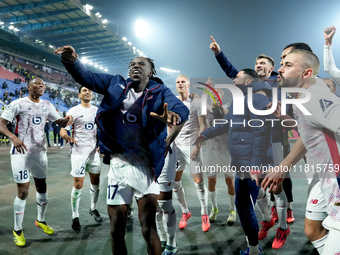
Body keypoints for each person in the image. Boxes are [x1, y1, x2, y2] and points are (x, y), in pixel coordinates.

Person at [54, 45, 189, 255]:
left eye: (141, 64)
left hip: (146, 167)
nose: (136, 66)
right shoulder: (115, 83)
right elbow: (86, 77)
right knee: (116, 229)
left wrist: (174, 115)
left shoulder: (160, 91)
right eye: (132, 64)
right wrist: (71, 61)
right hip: (119, 165)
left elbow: (180, 107)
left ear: (150, 71)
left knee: (148, 227)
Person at [210, 36, 291, 249]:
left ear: (272, 68)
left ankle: (282, 227)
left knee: (276, 185)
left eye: (263, 63)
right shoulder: (250, 85)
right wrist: (219, 53)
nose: (258, 65)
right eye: (256, 63)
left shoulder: (278, 81)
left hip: (274, 140)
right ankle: (267, 219)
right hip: (252, 144)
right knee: (257, 186)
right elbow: (232, 72)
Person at [262, 49, 340, 255]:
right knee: (313, 231)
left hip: (337, 186)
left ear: (306, 73)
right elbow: (309, 136)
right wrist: (283, 166)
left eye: (287, 64)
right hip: (326, 182)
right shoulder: (301, 98)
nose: (279, 69)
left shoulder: (314, 99)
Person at [194, 69, 272, 255]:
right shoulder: (243, 100)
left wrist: (254, 165)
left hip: (250, 162)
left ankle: (253, 250)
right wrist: (205, 134)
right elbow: (226, 123)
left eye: (238, 76)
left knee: (243, 207)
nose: (234, 78)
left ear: (248, 81)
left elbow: (261, 133)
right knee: (254, 193)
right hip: (242, 160)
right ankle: (267, 215)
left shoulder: (256, 99)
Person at [0, 77, 73, 247]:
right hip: (21, 153)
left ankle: (40, 220)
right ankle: (17, 229)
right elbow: (1, 124)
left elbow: (59, 122)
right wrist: (13, 137)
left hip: (40, 153)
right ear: (29, 87)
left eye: (43, 85)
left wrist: (67, 120)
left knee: (42, 188)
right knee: (23, 192)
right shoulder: (18, 103)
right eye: (37, 84)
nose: (41, 86)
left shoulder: (47, 105)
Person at [59, 86, 102, 233]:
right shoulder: (73, 111)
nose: (88, 92)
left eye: (90, 90)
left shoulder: (97, 110)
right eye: (84, 90)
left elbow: (102, 130)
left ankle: (93, 208)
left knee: (96, 183)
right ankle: (75, 216)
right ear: (79, 95)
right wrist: (65, 135)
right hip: (78, 153)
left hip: (94, 153)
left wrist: (101, 144)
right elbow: (63, 128)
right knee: (78, 184)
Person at [172, 74, 210, 232]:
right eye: (177, 82)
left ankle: (204, 213)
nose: (180, 84)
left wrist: (198, 146)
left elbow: (203, 125)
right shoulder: (172, 101)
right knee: (174, 182)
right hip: (175, 147)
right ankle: (185, 212)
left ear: (189, 85)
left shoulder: (197, 101)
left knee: (198, 182)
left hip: (192, 146)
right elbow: (170, 125)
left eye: (183, 82)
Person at [202, 81, 236, 225]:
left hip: (225, 150)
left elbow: (230, 120)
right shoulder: (207, 109)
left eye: (218, 95)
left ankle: (232, 210)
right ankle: (214, 208)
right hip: (211, 150)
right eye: (212, 95)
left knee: (230, 180)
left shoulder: (227, 109)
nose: (215, 97)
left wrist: (220, 107)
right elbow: (200, 107)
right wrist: (206, 90)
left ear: (222, 97)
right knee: (211, 180)